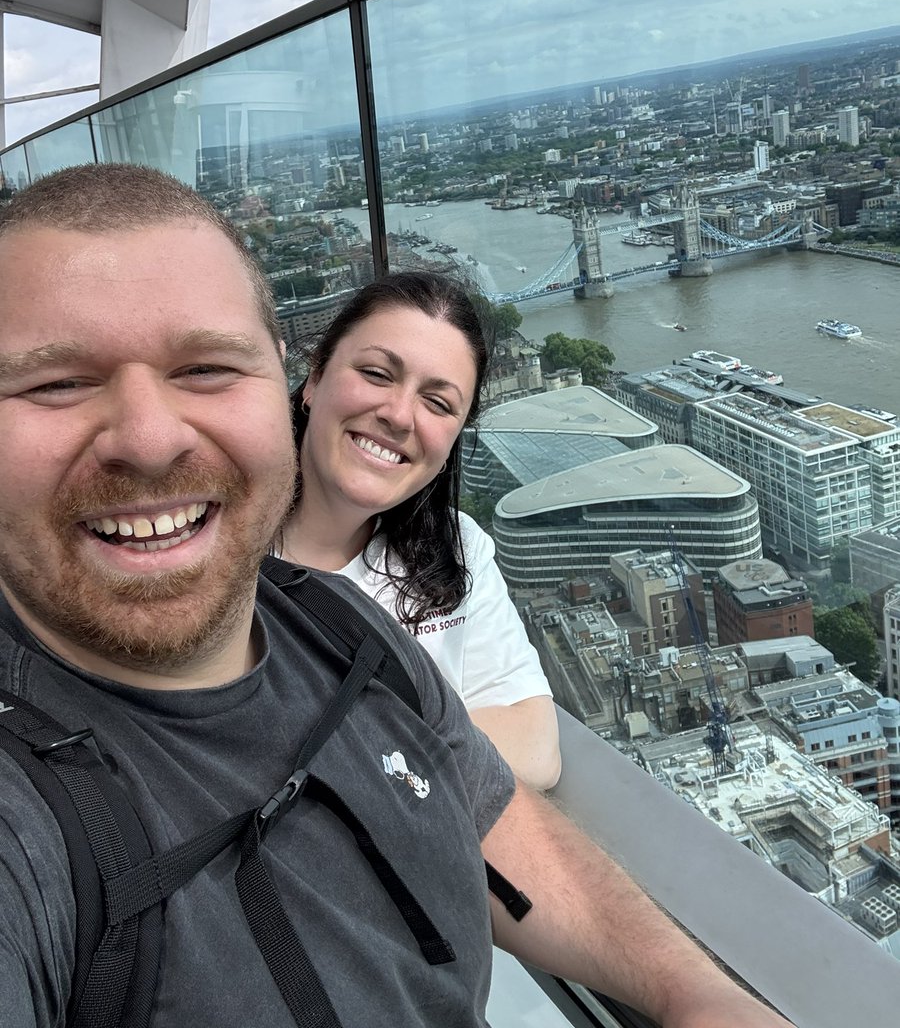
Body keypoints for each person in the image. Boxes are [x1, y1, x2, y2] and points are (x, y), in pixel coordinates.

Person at [0, 163, 794, 1028]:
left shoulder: (337, 623)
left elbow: (487, 807)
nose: (150, 440)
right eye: (56, 383)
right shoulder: (27, 826)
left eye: (206, 369)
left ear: (274, 380)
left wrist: (697, 993)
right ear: (311, 381)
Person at [277, 271, 561, 788]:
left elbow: (536, 749)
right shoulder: (210, 547)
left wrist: (317, 747)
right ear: (314, 379)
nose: (400, 416)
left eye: (438, 403)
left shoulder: (456, 548)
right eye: (377, 374)